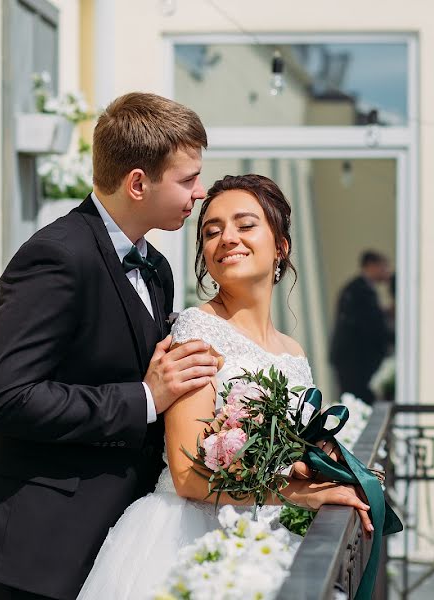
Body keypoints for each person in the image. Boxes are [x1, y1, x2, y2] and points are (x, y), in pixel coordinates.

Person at [0, 92, 222, 600]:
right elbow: (8, 399)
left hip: (118, 544)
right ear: (138, 183)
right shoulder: (53, 257)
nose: (199, 192)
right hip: (35, 550)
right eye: (187, 178)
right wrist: (144, 399)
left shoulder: (157, 267)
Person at [77, 174, 373, 599]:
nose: (226, 238)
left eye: (245, 225)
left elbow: (292, 451)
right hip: (192, 535)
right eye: (211, 231)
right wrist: (298, 493)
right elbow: (186, 474)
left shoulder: (292, 351)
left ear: (281, 245)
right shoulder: (198, 332)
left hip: (271, 537)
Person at [329, 250, 393, 404]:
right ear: (371, 266)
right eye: (383, 266)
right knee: (356, 402)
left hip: (353, 360)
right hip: (354, 362)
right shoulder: (359, 290)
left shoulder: (358, 289)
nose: (387, 272)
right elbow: (369, 325)